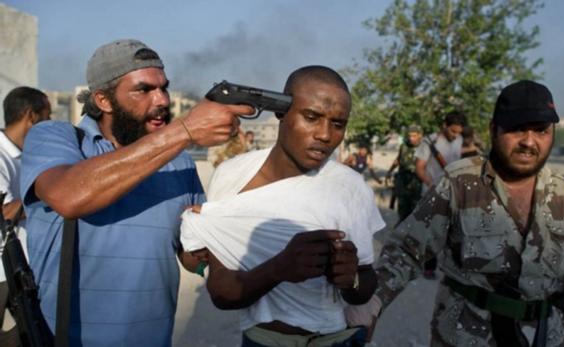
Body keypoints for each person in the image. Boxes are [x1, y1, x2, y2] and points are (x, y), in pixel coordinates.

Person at [20, 39, 253, 346]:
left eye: (163, 88)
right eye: (144, 90)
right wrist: (185, 130)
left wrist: (205, 245)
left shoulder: (179, 161)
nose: (161, 100)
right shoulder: (56, 137)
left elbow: (191, 261)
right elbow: (69, 196)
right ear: (103, 100)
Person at [356, 80, 564, 346]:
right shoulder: (459, 182)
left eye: (541, 131)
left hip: (546, 337)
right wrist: (373, 300)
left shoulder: (563, 193)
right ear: (493, 129)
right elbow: (406, 249)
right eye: (517, 129)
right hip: (469, 335)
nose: (529, 141)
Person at [180, 66, 386, 347]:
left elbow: (363, 285)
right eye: (311, 117)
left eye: (338, 124)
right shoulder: (232, 176)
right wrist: (279, 268)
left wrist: (349, 280)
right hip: (263, 340)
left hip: (334, 338)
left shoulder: (348, 187)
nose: (325, 135)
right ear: (281, 111)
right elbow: (221, 292)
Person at [0, 86, 51, 330]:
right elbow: (4, 214)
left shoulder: (26, 154)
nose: (50, 123)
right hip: (2, 274)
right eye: (47, 116)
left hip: (24, 270)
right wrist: (47, 189)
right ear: (31, 116)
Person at [415, 110, 466, 278]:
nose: (456, 135)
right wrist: (433, 185)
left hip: (454, 192)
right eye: (453, 131)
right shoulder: (430, 141)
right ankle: (428, 266)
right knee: (432, 231)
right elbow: (419, 168)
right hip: (432, 192)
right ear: (445, 125)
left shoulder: (459, 140)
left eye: (459, 132)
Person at [385, 124, 422, 226]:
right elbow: (398, 160)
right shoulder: (404, 146)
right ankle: (402, 226)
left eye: (414, 136)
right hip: (403, 182)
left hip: (417, 183)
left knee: (416, 210)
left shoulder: (424, 148)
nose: (411, 138)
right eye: (409, 136)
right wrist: (389, 171)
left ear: (420, 135)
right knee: (402, 208)